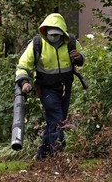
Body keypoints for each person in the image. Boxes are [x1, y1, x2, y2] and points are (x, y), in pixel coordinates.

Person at [15, 13, 84, 160]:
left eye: (57, 34)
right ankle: (58, 155)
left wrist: (80, 58)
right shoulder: (37, 43)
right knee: (57, 121)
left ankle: (42, 157)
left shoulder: (71, 42)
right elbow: (23, 65)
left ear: (62, 34)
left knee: (56, 122)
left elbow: (80, 58)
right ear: (45, 31)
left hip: (66, 88)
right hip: (46, 89)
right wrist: (24, 82)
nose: (54, 37)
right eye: (51, 34)